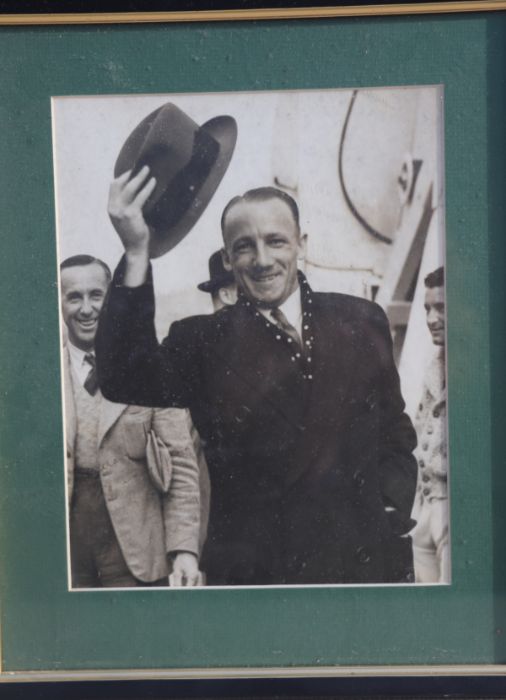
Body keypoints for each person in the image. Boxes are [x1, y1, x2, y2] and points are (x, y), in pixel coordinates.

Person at [96, 171, 418, 586]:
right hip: (260, 577)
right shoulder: (202, 340)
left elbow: (395, 431)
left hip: (360, 565)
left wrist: (389, 507)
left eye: (276, 240)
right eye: (244, 247)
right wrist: (137, 249)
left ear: (302, 243)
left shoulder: (361, 320)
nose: (262, 260)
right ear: (228, 259)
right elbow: (123, 377)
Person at [60, 254, 201, 588]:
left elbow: (181, 463)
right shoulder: (41, 370)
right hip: (66, 547)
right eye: (73, 297)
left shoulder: (148, 368)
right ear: (61, 303)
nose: (86, 309)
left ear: (112, 300)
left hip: (135, 549)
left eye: (96, 296)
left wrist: (184, 550)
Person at [410, 266, 449, 582]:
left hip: (456, 513)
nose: (431, 319)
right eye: (427, 308)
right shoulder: (433, 369)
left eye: (442, 308)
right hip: (426, 510)